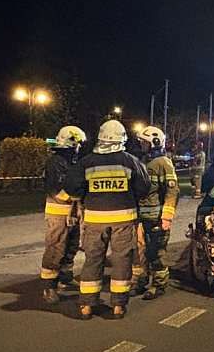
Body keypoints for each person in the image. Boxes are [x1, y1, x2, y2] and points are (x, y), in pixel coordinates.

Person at [63, 119, 150, 320]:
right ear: (122, 139)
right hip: (124, 218)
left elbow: (71, 186)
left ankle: (87, 305)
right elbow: (143, 187)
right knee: (122, 259)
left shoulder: (86, 162)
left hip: (95, 219)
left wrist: (84, 196)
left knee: (93, 259)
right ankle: (118, 305)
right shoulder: (130, 161)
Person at [132, 126, 179, 300]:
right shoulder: (144, 162)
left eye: (144, 142)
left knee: (156, 252)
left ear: (154, 142)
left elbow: (172, 191)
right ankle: (141, 281)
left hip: (156, 218)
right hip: (141, 217)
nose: (142, 145)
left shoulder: (163, 164)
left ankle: (159, 285)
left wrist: (166, 217)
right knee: (140, 251)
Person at [41, 125, 86, 304]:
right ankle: (49, 286)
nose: (79, 148)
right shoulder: (55, 162)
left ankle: (65, 277)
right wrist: (74, 200)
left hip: (71, 212)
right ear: (70, 143)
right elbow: (56, 189)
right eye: (77, 144)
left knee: (71, 246)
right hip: (59, 213)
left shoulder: (70, 163)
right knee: (56, 248)